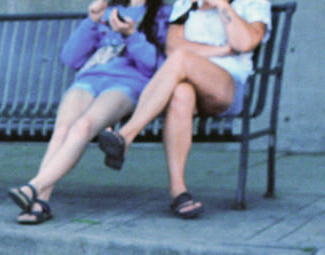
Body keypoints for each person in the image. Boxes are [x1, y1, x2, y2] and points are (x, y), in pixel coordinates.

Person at [93, 0, 269, 218]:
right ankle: (179, 192)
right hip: (188, 80)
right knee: (180, 94)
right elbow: (173, 45)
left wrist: (222, 5)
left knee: (181, 60)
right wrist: (222, 50)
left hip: (227, 85)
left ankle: (126, 136)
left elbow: (244, 43)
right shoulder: (186, 2)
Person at [8, 0, 169, 225]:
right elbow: (70, 58)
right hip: (89, 80)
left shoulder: (162, 14)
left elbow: (155, 67)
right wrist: (91, 21)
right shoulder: (108, 8)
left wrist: (132, 34)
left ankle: (33, 187)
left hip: (126, 85)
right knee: (63, 129)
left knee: (83, 126)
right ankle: (39, 202)